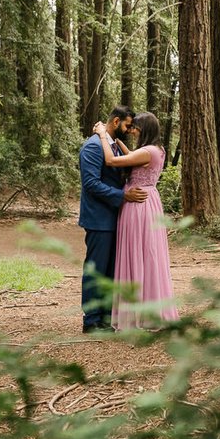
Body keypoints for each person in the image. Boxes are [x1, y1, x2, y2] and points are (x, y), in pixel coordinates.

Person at [94, 111, 178, 329]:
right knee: (147, 253)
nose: (132, 131)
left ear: (144, 129)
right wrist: (120, 143)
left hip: (138, 205)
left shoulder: (148, 151)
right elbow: (134, 156)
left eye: (135, 128)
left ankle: (138, 315)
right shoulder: (157, 150)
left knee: (136, 253)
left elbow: (111, 161)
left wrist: (103, 135)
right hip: (149, 201)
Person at [78, 105, 146, 333]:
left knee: (110, 271)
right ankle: (91, 320)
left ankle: (106, 316)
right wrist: (122, 195)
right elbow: (91, 184)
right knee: (96, 269)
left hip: (115, 218)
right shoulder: (93, 147)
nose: (129, 129)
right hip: (98, 219)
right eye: (127, 125)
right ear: (116, 122)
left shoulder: (112, 146)